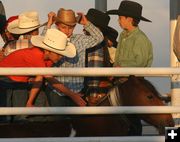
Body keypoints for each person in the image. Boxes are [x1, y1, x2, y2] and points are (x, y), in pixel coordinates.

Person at [0, 28, 87, 122]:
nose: (61, 57)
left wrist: (30, 102)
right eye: (58, 54)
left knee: (21, 112)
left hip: (19, 82)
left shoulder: (48, 60)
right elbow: (50, 79)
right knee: (8, 114)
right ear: (48, 51)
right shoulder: (36, 55)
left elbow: (39, 78)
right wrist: (73, 95)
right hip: (5, 79)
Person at [107, 0, 153, 135]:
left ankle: (134, 136)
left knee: (131, 117)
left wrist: (119, 68)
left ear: (129, 19)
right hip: (122, 82)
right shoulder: (123, 35)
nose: (118, 21)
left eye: (120, 18)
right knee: (122, 115)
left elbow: (141, 62)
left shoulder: (141, 39)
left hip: (134, 83)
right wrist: (115, 70)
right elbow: (118, 57)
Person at [43, 8, 104, 107]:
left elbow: (99, 38)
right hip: (57, 91)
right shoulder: (51, 39)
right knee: (59, 121)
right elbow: (42, 43)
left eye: (71, 28)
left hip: (77, 91)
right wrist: (48, 25)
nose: (67, 31)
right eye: (63, 27)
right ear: (57, 26)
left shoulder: (80, 40)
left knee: (76, 122)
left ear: (75, 26)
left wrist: (86, 23)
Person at [83, 8, 118, 105]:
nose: (84, 27)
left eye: (87, 24)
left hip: (94, 94)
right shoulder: (101, 44)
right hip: (102, 93)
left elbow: (94, 72)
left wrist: (92, 96)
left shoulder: (95, 46)